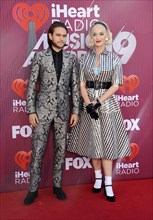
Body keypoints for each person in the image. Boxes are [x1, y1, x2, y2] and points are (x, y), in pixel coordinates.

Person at [67, 21, 131, 202]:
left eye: (101, 34)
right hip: (88, 106)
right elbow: (81, 84)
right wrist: (88, 104)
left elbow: (117, 84)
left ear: (107, 36)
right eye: (94, 34)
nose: (98, 37)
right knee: (94, 144)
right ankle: (98, 180)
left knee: (107, 145)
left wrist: (98, 102)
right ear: (90, 37)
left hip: (107, 105)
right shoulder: (84, 59)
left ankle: (108, 184)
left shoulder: (114, 58)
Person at [24, 21, 80, 205]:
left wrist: (76, 111)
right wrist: (31, 110)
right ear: (50, 36)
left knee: (60, 150)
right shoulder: (40, 57)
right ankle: (33, 189)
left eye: (64, 36)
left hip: (63, 112)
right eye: (58, 35)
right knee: (38, 150)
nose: (62, 39)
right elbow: (32, 86)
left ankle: (57, 186)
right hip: (41, 111)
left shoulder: (72, 58)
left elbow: (75, 87)